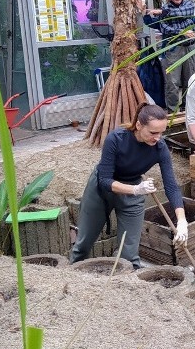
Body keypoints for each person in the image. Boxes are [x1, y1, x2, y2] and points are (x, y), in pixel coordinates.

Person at [70, 104, 188, 268]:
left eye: (161, 132)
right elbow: (105, 180)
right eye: (153, 132)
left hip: (132, 190)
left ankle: (124, 287)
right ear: (139, 125)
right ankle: (72, 279)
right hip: (101, 191)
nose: (158, 137)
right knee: (82, 245)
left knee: (129, 257)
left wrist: (182, 222)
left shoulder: (160, 148)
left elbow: (171, 186)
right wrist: (136, 190)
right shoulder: (116, 139)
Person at [144, 0, 195, 110]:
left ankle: (188, 107)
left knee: (190, 79)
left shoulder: (188, 6)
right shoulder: (165, 11)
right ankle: (172, 109)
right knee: (172, 82)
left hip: (189, 48)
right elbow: (157, 25)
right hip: (172, 50)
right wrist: (146, 12)